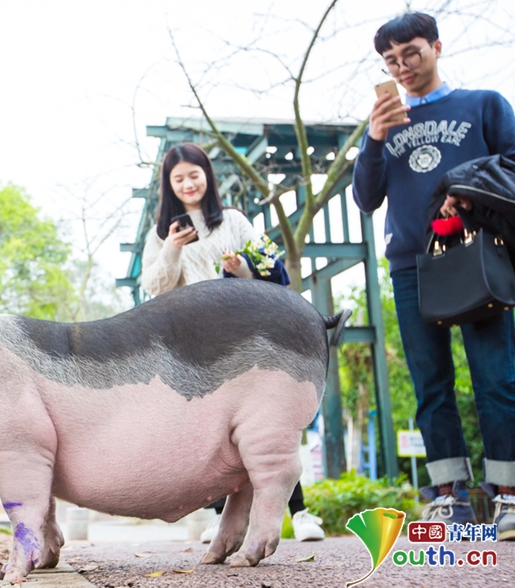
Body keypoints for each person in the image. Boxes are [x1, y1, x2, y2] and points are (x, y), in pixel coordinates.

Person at [352, 12, 515, 538]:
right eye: (390, 61)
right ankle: (449, 497)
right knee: (431, 385)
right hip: (410, 264)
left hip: (477, 253)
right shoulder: (383, 122)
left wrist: (465, 184)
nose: (402, 67)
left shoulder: (483, 104)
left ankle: (508, 494)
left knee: (497, 377)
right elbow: (365, 197)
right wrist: (374, 139)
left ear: (436, 47)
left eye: (412, 54)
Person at [140, 142, 325, 542]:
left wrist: (241, 268)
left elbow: (271, 277)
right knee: (211, 431)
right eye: (179, 178)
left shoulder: (235, 222)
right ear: (169, 186)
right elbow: (154, 289)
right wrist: (172, 250)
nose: (188, 183)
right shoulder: (162, 235)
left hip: (247, 341)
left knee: (267, 424)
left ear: (207, 175)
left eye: (194, 174)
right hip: (199, 347)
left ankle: (301, 513)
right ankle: (221, 516)